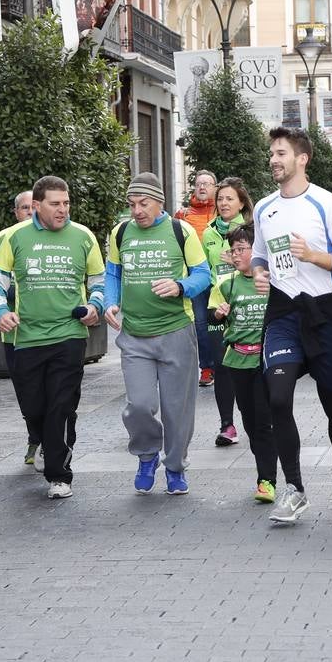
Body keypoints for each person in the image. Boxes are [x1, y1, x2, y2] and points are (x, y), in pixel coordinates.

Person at [251, 127, 332, 524]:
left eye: (281, 153)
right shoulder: (264, 207)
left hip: (325, 313)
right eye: (272, 153)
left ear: (302, 159)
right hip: (283, 312)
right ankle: (295, 489)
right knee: (278, 398)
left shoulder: (327, 204)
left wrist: (317, 256)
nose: (274, 159)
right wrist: (259, 272)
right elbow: (258, 254)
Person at [0, 177, 103, 500]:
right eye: (55, 204)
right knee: (35, 407)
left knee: (61, 406)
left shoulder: (83, 237)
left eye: (66, 203)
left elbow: (99, 280)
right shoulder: (14, 238)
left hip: (69, 335)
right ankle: (44, 440)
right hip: (27, 339)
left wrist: (95, 305)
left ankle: (59, 474)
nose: (62, 209)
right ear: (36, 206)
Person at [105, 172, 212, 495]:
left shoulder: (181, 231)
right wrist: (111, 302)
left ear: (159, 202)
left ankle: (176, 467)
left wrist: (180, 286)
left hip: (176, 332)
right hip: (135, 334)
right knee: (139, 404)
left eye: (144, 203)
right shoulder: (121, 232)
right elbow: (113, 272)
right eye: (132, 204)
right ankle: (147, 454)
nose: (137, 210)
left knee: (176, 409)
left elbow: (203, 275)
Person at [208, 224, 279, 503]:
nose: (235, 255)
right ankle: (265, 467)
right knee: (249, 423)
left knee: (263, 422)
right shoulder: (228, 283)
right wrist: (219, 314)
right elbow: (214, 314)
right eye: (232, 250)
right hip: (237, 360)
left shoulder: (273, 281)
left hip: (266, 360)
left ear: (256, 250)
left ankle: (266, 480)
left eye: (241, 249)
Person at [201, 178, 252, 446]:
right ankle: (227, 426)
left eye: (230, 199)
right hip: (217, 302)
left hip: (246, 301)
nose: (223, 203)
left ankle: (253, 417)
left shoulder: (250, 231)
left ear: (241, 203)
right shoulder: (208, 233)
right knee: (221, 365)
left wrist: (237, 259)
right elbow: (202, 268)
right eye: (220, 199)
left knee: (245, 365)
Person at [178, 170, 219, 387]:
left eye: (207, 184)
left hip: (221, 276)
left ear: (215, 187)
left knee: (224, 321)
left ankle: (226, 364)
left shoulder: (222, 212)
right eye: (198, 183)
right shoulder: (183, 215)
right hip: (196, 277)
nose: (202, 187)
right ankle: (207, 367)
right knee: (201, 324)